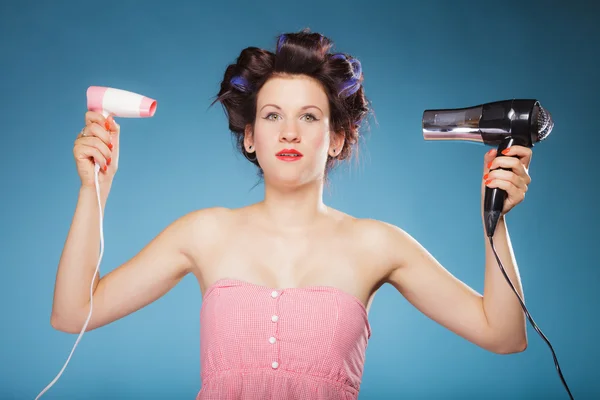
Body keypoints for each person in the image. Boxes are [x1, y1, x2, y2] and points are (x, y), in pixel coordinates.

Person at [51, 29, 532, 399]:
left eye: (309, 116)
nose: (288, 133)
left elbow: (503, 333)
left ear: (338, 138)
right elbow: (74, 312)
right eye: (272, 115)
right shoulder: (203, 232)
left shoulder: (377, 244)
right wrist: (95, 187)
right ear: (249, 135)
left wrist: (498, 219)